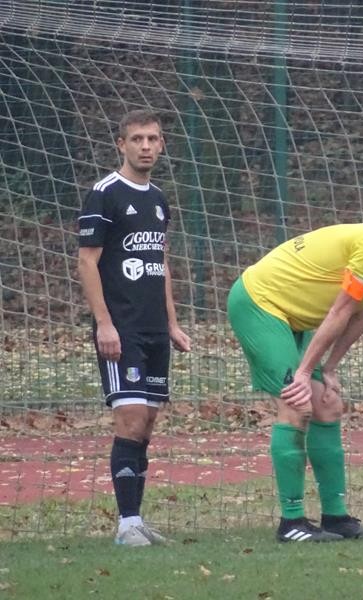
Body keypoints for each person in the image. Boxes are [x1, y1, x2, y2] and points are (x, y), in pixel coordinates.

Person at [228, 188, 363, 542]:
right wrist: (303, 373)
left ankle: (335, 518)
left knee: (328, 406)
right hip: (260, 303)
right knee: (296, 403)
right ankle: (291, 523)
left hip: (295, 316)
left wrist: (329, 367)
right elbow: (340, 310)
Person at [77, 110, 192, 546]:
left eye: (153, 139)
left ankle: (137, 520)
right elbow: (87, 261)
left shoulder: (159, 199)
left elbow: (160, 263)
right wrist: (104, 324)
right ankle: (126, 525)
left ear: (162, 145)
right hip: (121, 329)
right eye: (137, 139)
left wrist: (173, 324)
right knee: (129, 418)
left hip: (154, 330)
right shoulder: (104, 194)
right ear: (121, 144)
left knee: (146, 423)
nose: (146, 146)